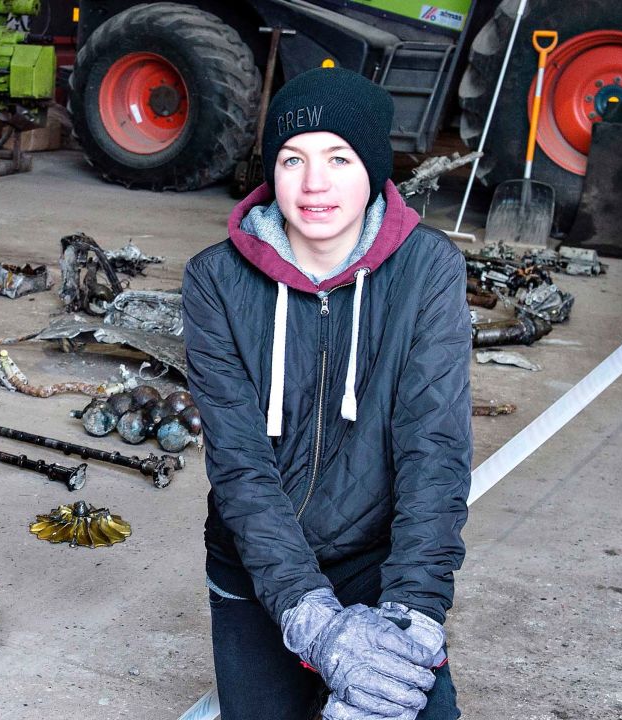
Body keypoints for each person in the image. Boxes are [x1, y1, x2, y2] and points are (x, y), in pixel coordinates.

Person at [182, 67, 472, 720]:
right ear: (271, 170)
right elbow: (240, 467)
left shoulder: (429, 270)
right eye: (293, 159)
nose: (314, 184)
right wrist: (312, 621)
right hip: (254, 572)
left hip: (379, 566)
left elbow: (436, 446)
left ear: (372, 166)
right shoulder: (214, 281)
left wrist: (413, 615)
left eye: (338, 157)